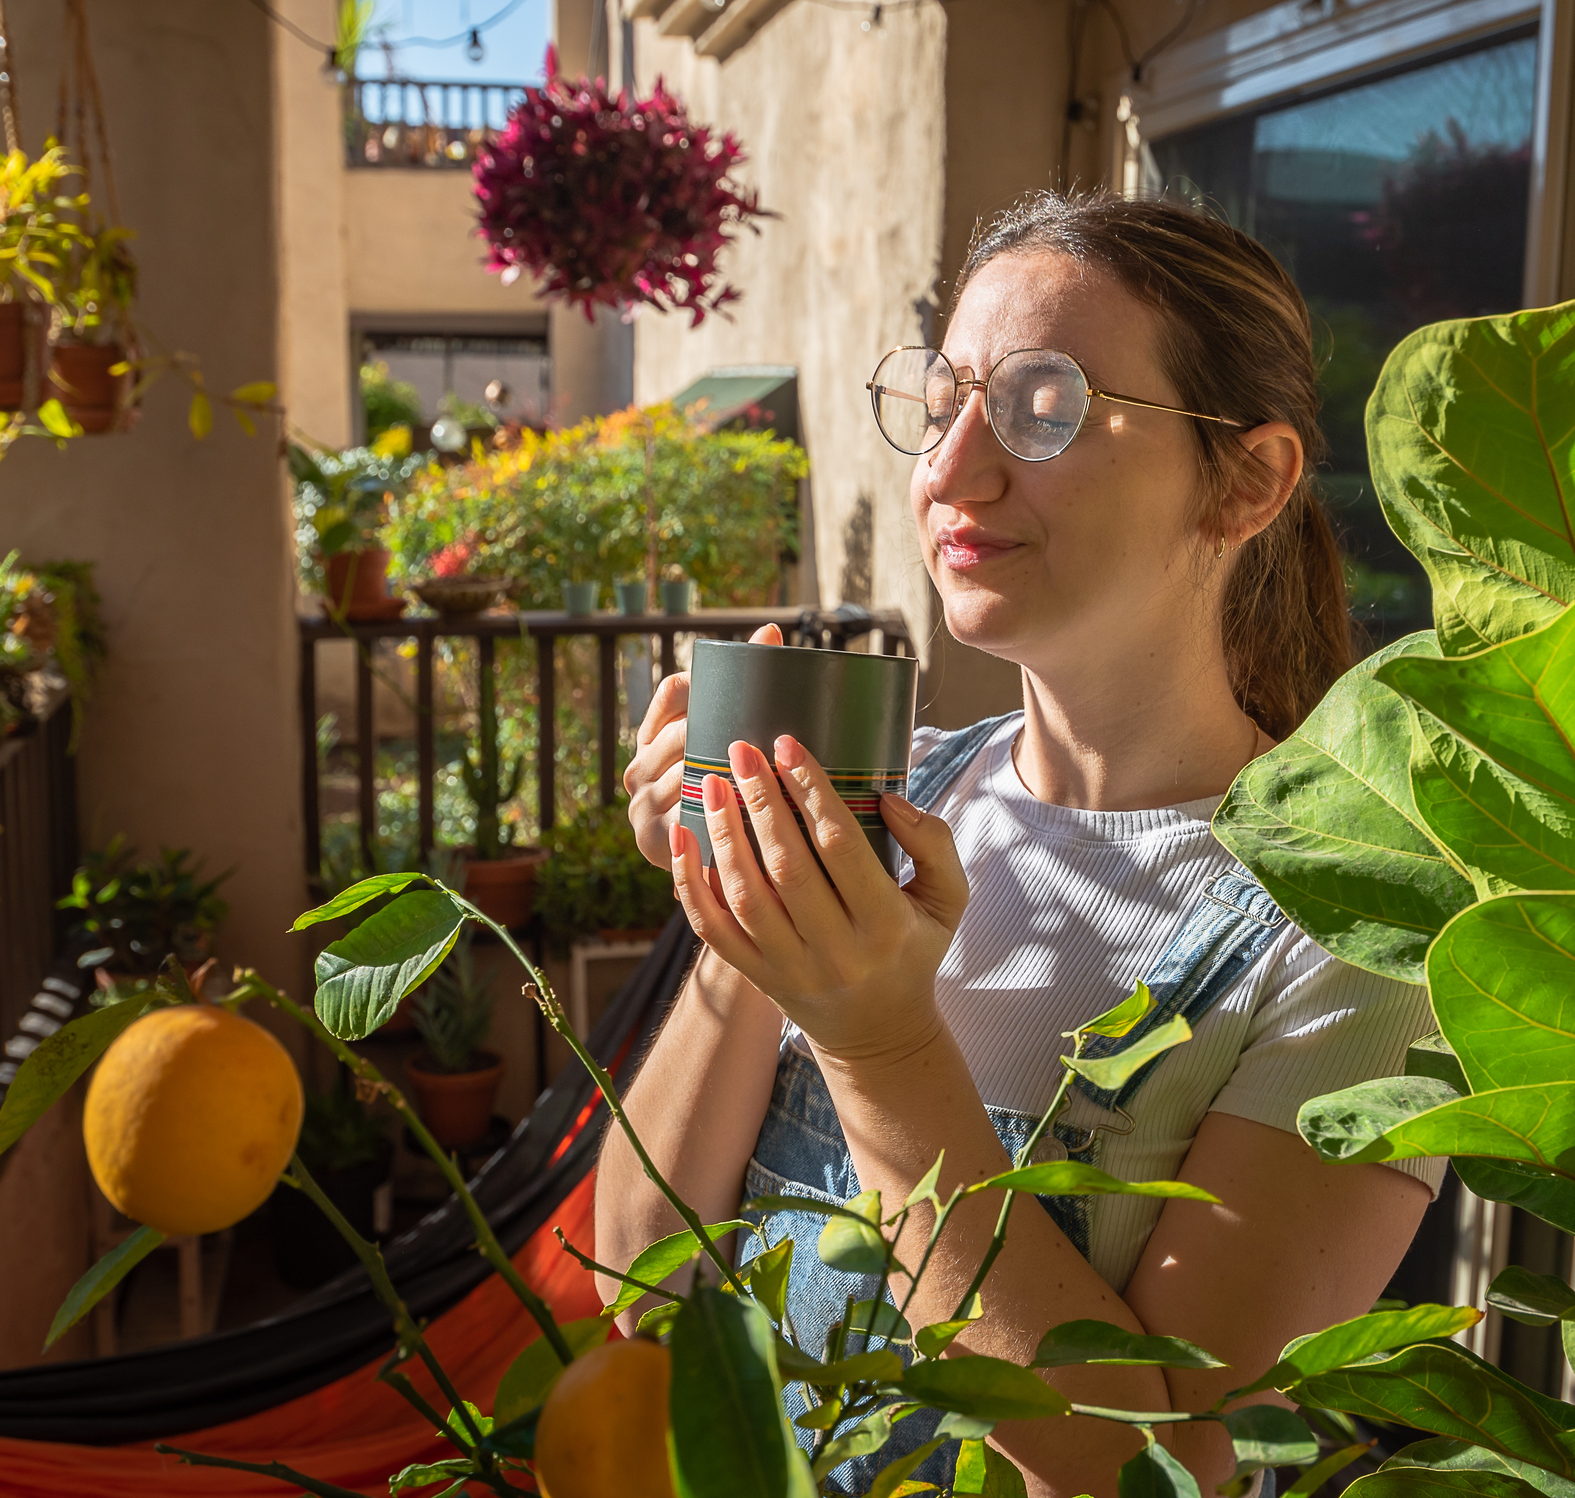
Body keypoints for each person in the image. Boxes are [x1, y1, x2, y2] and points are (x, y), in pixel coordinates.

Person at [598, 190, 1441, 1497]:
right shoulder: (899, 795)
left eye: (1044, 407)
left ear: (1249, 482)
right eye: (945, 403)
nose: (948, 472)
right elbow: (641, 1271)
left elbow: (1159, 1470)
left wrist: (882, 1050)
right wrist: (747, 915)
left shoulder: (1358, 937)